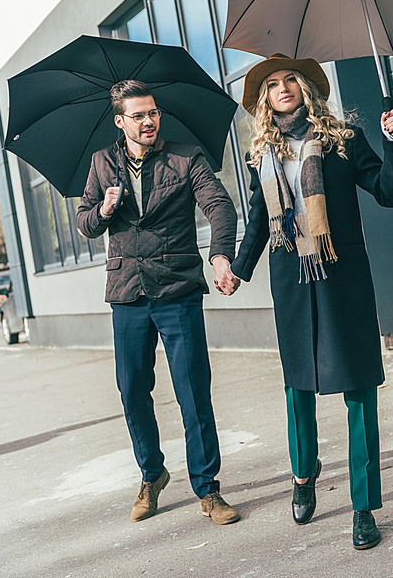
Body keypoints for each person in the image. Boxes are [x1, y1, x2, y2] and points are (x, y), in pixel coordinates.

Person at [229, 54, 393, 550]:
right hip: (291, 280)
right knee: (298, 388)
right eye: (272, 84)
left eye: (291, 79)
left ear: (307, 88)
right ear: (263, 99)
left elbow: (389, 194)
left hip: (341, 276)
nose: (282, 87)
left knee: (358, 390)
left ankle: (363, 506)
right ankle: (304, 475)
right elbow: (260, 223)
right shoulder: (259, 154)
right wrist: (238, 271)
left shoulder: (342, 141)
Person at [76, 79, 241, 525]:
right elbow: (85, 224)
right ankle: (152, 475)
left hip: (177, 290)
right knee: (132, 390)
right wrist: (106, 209)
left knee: (192, 392)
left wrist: (221, 255)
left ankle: (208, 489)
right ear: (120, 121)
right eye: (138, 115)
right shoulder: (100, 163)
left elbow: (220, 206)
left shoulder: (186, 157)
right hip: (127, 294)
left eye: (153, 113)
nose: (148, 121)